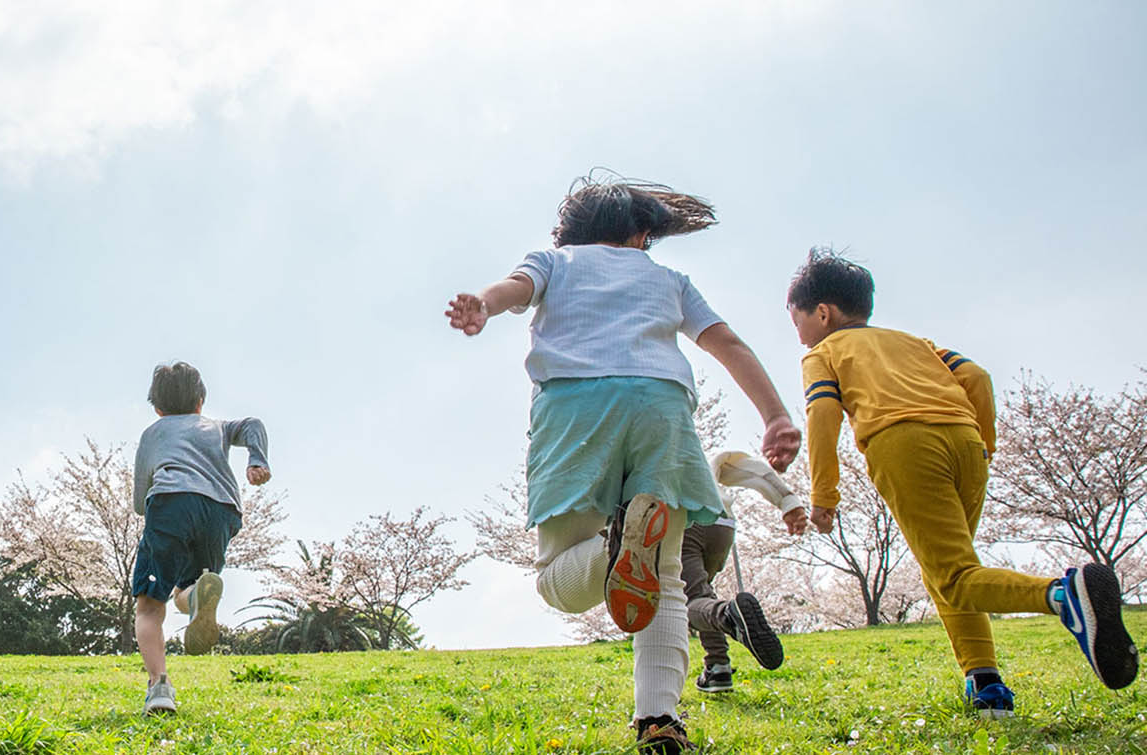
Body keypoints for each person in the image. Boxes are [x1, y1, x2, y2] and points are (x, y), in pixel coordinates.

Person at [445, 173, 800, 754]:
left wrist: (482, 305)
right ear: (641, 235)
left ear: (575, 229)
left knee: (556, 579)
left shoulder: (555, 261)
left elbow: (513, 287)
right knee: (664, 581)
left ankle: (612, 551)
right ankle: (659, 721)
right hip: (661, 409)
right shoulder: (668, 278)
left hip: (575, 407)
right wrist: (776, 417)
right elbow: (727, 343)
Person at [787, 247, 1137, 717]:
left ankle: (1064, 594)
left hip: (902, 444)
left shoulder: (823, 353)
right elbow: (976, 376)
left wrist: (823, 495)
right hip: (965, 441)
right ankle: (987, 686)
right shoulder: (916, 342)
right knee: (954, 572)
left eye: (798, 322)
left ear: (823, 313)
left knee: (954, 577)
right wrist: (983, 443)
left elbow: (823, 414)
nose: (800, 336)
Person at [130, 362, 270, 715]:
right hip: (221, 512)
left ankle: (159, 687)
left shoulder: (154, 432)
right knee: (188, 586)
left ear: (157, 407)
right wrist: (256, 459)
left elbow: (139, 500)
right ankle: (194, 598)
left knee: (149, 604)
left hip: (172, 504)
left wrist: (157, 521)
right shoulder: (218, 427)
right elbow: (252, 424)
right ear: (200, 401)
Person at [688, 451, 807, 693]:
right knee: (701, 593)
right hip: (721, 525)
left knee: (685, 601)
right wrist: (788, 502)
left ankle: (729, 616)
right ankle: (717, 667)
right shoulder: (700, 455)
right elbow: (749, 468)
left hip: (685, 522)